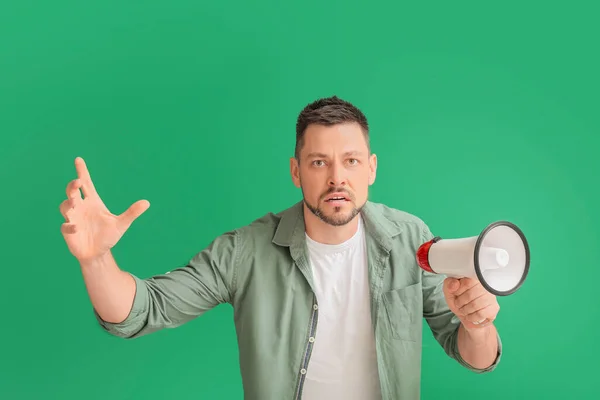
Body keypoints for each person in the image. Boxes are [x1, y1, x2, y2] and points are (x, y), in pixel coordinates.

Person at [59, 96, 501, 400]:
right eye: (318, 162)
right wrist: (97, 258)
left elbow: (473, 355)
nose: (336, 179)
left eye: (350, 161)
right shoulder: (244, 251)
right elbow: (142, 310)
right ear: (296, 171)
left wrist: (477, 324)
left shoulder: (410, 238)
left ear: (371, 169)